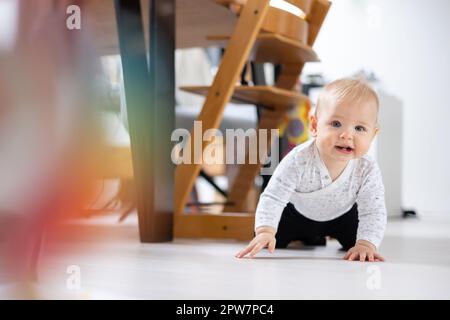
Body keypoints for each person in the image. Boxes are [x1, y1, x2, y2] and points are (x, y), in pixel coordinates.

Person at [236, 78, 387, 262]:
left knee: (359, 245)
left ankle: (323, 237)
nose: (347, 135)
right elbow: (274, 196)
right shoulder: (299, 159)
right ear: (315, 126)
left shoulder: (367, 168)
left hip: (344, 216)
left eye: (359, 128)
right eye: (336, 124)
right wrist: (265, 230)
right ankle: (309, 236)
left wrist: (367, 244)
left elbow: (373, 210)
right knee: (270, 239)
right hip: (297, 214)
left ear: (373, 134)